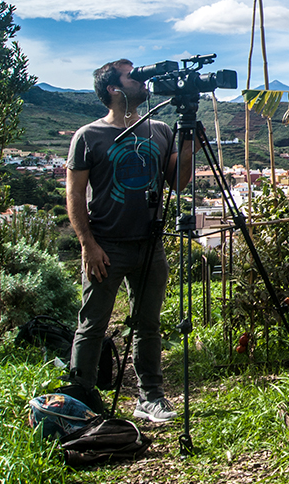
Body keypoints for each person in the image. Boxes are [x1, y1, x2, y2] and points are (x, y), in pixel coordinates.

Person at [66, 59, 195, 423]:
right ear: (113, 89)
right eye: (131, 75)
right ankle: (82, 397)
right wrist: (87, 244)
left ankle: (150, 397)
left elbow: (178, 183)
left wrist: (187, 149)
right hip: (106, 243)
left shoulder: (158, 129)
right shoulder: (88, 136)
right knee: (92, 323)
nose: (142, 79)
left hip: (150, 243)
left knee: (148, 324)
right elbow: (75, 196)